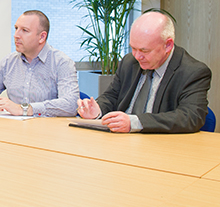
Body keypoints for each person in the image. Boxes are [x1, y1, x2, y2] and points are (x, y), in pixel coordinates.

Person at [77, 11, 211, 133]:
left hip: (161, 146)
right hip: (119, 141)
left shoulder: (193, 72)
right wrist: (97, 110)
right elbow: (112, 96)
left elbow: (191, 116)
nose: (137, 56)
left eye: (144, 50)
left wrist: (135, 122)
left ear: (168, 45)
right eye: (133, 48)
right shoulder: (129, 62)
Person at [0, 10, 79, 117]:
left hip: (48, 130)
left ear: (42, 37)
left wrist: (25, 109)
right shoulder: (8, 62)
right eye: (16, 28)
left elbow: (71, 104)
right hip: (14, 128)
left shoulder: (62, 63)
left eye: (24, 30)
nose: (16, 35)